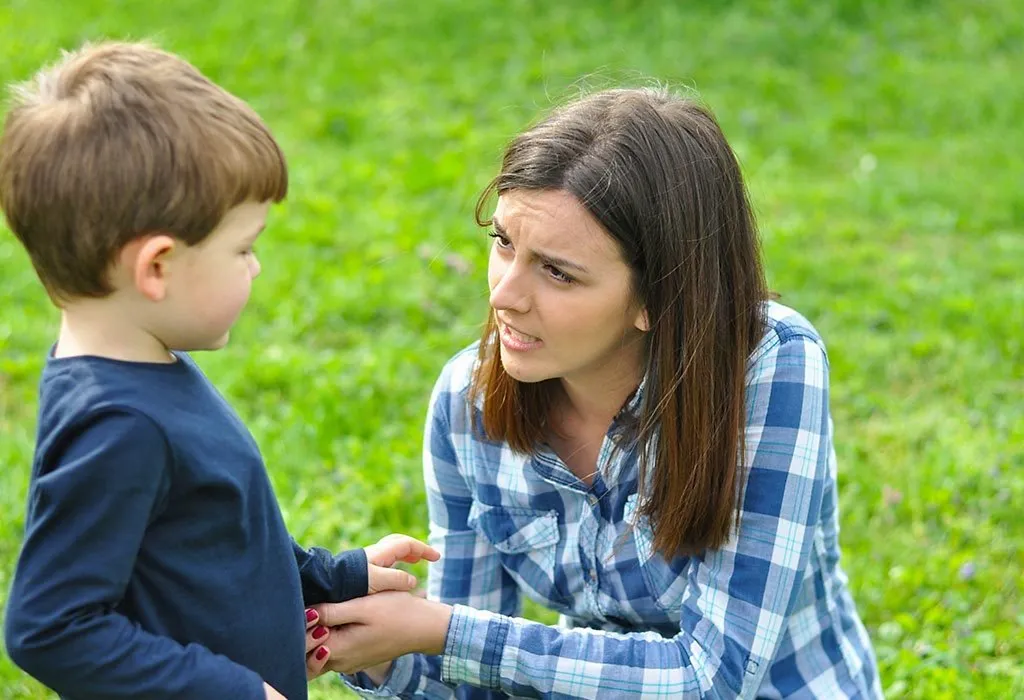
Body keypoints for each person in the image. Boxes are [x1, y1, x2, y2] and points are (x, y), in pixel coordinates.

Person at [305, 87, 883, 698]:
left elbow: (713, 678)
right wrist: (376, 651)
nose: (504, 294)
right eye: (503, 243)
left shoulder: (767, 367)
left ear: (658, 297)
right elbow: (466, 678)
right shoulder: (468, 400)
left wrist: (445, 633)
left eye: (558, 271)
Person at [0, 41, 438, 700]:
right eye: (243, 248)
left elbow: (212, 539)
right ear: (157, 267)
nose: (256, 267)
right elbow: (49, 627)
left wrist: (333, 576)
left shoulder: (142, 364)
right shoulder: (119, 427)